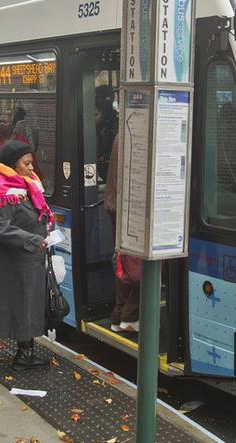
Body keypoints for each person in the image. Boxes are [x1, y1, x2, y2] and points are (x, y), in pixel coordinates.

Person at [0, 140, 53, 371]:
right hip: (2, 262)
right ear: (12, 165)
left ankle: (25, 354)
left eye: (31, 163)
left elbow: (36, 213)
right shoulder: (1, 189)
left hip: (26, 258)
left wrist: (47, 227)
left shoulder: (28, 184)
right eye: (26, 163)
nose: (31, 168)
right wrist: (33, 239)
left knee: (26, 304)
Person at [104, 137, 139, 332]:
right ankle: (130, 316)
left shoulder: (122, 132)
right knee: (138, 264)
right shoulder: (142, 127)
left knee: (124, 261)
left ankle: (120, 315)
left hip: (117, 203)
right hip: (131, 208)